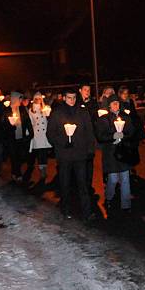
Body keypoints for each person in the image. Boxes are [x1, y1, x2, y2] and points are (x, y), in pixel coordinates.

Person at [46, 89, 96, 222]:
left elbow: (89, 131)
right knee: (65, 183)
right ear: (64, 98)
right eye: (69, 98)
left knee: (83, 185)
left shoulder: (82, 112)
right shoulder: (57, 113)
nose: (72, 100)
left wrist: (90, 149)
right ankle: (66, 209)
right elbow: (50, 134)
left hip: (80, 155)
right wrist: (62, 142)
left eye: (74, 97)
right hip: (64, 156)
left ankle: (87, 212)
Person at [95, 94, 138, 213]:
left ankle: (126, 205)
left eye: (117, 103)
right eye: (113, 103)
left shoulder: (125, 117)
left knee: (125, 179)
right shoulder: (104, 119)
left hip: (123, 153)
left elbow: (132, 131)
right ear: (109, 105)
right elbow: (100, 135)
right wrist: (112, 135)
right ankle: (109, 197)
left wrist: (124, 135)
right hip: (111, 154)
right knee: (113, 179)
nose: (116, 105)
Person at [4, 91, 34, 183]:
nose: (21, 100)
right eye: (19, 98)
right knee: (14, 157)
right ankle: (17, 174)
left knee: (20, 156)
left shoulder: (22, 109)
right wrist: (10, 126)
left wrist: (31, 133)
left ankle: (15, 172)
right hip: (11, 138)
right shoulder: (7, 111)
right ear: (14, 99)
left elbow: (28, 121)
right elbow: (3, 125)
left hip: (21, 137)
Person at [24, 92, 52, 184]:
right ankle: (42, 172)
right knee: (40, 154)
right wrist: (29, 134)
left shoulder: (45, 108)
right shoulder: (31, 110)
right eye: (36, 98)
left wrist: (48, 116)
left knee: (44, 153)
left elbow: (48, 119)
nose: (38, 100)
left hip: (45, 134)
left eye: (39, 98)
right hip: (37, 135)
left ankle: (44, 170)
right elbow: (30, 123)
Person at [77, 83, 98, 196]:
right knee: (81, 162)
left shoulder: (93, 103)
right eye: (85, 89)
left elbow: (95, 118)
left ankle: (88, 185)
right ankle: (80, 185)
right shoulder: (76, 103)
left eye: (89, 90)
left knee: (90, 161)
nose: (87, 92)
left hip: (90, 137)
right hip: (79, 138)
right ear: (80, 90)